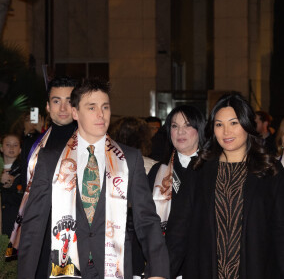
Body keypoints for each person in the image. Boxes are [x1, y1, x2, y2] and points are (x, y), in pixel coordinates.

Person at [18, 78, 169, 279]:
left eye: (105, 107)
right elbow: (33, 225)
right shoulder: (50, 159)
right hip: (66, 265)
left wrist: (158, 271)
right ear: (75, 113)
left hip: (113, 265)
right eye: (91, 108)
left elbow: (147, 220)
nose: (101, 114)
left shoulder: (129, 158)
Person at [174, 92, 284, 278]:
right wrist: (160, 271)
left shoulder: (269, 170)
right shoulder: (199, 169)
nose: (226, 132)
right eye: (219, 125)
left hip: (257, 269)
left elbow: (280, 231)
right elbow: (179, 229)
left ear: (247, 124)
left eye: (234, 123)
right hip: (205, 270)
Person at [8, 77, 77, 266]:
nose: (63, 108)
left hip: (76, 240)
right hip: (39, 237)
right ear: (47, 106)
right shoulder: (32, 146)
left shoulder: (90, 146)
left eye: (69, 101)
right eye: (56, 101)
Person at [133, 105, 205, 278]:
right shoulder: (158, 171)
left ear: (199, 129)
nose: (180, 132)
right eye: (175, 126)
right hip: (161, 263)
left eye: (187, 125)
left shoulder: (211, 170)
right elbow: (142, 219)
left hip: (200, 262)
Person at [0, 133, 23, 237]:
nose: (11, 148)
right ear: (1, 148)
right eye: (8, 144)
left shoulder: (24, 172)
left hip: (14, 223)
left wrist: (7, 187)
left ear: (20, 150)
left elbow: (23, 199)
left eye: (15, 145)